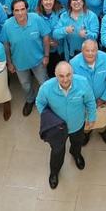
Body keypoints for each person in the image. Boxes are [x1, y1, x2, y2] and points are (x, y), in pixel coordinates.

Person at [35, 61, 97, 190]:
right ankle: (54, 172)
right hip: (57, 129)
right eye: (61, 76)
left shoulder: (83, 83)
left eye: (68, 75)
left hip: (77, 124)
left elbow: (90, 101)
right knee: (57, 151)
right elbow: (39, 103)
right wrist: (49, 119)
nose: (65, 79)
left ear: (73, 74)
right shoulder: (46, 88)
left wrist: (91, 118)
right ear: (55, 75)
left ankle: (76, 154)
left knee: (77, 143)